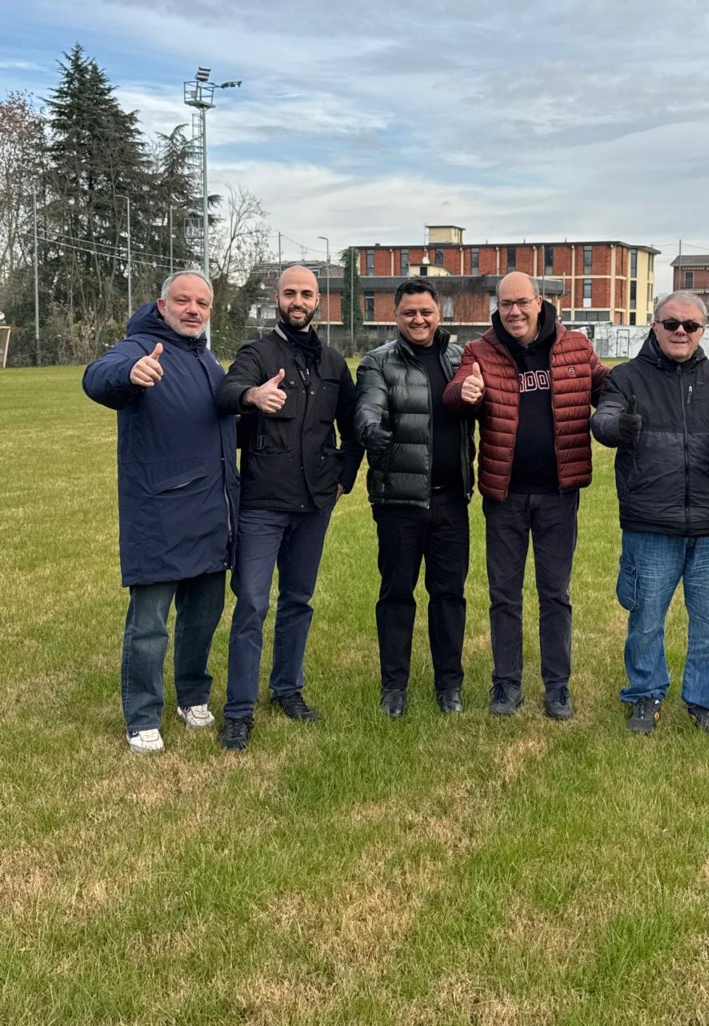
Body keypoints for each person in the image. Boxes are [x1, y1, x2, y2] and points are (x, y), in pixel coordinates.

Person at [82, 271, 239, 754]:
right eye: (184, 301)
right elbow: (97, 377)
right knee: (149, 624)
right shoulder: (140, 347)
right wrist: (130, 375)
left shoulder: (206, 357)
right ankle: (142, 715)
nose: (194, 310)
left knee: (203, 615)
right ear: (162, 304)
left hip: (212, 510)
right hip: (159, 511)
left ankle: (193, 696)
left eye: (203, 303)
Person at [444, 272, 608, 720]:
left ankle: (557, 687)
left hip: (558, 495)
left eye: (521, 302)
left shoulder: (575, 347)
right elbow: (455, 394)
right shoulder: (480, 351)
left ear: (540, 302)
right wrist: (466, 391)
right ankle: (507, 684)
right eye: (505, 304)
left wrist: (632, 397)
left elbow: (607, 389)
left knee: (555, 593)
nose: (513, 312)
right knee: (505, 595)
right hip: (505, 496)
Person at [215, 266, 363, 751]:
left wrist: (344, 475)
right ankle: (238, 710)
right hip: (263, 503)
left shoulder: (333, 363)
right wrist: (252, 395)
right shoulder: (257, 355)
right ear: (276, 298)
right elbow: (226, 393)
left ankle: (287, 689)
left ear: (320, 301)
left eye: (307, 294)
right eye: (290, 293)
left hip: (315, 503)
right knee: (253, 605)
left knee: (298, 601)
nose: (298, 301)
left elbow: (355, 423)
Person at [591, 293, 709, 736]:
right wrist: (618, 427)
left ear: (702, 331)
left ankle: (705, 700)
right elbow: (603, 419)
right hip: (649, 522)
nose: (680, 332)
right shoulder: (627, 378)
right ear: (654, 327)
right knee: (646, 619)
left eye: (690, 326)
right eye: (671, 323)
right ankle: (645, 694)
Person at [354, 279, 475, 718]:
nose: (418, 320)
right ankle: (394, 687)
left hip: (451, 503)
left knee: (449, 595)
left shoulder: (462, 360)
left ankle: (450, 686)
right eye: (409, 313)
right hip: (399, 504)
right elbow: (367, 406)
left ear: (439, 313)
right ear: (396, 316)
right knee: (396, 595)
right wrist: (371, 427)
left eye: (426, 312)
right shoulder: (377, 363)